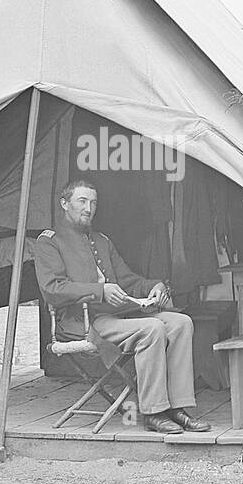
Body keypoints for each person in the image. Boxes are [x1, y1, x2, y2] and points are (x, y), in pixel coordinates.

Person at [33, 179, 209, 435]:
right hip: (82, 323)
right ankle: (154, 412)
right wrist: (98, 291)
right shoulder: (49, 242)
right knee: (152, 328)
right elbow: (52, 289)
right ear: (64, 204)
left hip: (118, 316)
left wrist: (155, 286)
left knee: (181, 323)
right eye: (81, 201)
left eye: (93, 202)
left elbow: (127, 280)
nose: (88, 208)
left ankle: (178, 408)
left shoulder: (101, 240)